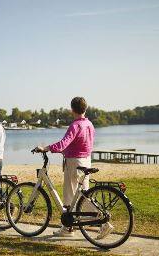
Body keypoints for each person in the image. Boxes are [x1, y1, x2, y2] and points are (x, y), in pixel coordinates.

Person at [34, 97, 113, 239]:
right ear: (85, 109)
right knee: (83, 194)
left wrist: (45, 148)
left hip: (75, 162)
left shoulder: (75, 125)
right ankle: (68, 227)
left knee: (71, 195)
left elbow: (64, 143)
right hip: (86, 160)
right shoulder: (89, 124)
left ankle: (103, 222)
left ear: (72, 109)